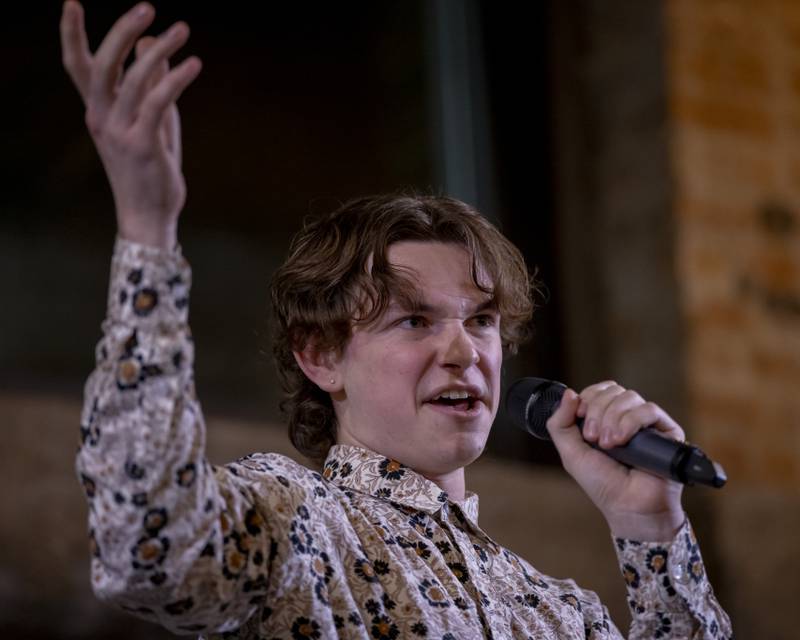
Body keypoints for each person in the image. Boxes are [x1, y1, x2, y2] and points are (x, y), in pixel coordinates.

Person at [61, 2, 732, 638]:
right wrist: (148, 231)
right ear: (321, 355)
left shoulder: (556, 612)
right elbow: (149, 553)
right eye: (415, 321)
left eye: (482, 320)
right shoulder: (299, 525)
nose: (463, 351)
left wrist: (649, 530)